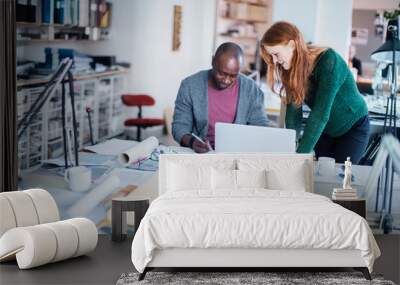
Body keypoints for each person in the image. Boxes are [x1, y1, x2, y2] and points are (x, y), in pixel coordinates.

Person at [260, 21, 370, 164]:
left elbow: (320, 114)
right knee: (316, 177)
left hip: (353, 126)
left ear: (292, 45)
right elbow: (293, 113)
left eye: (276, 54)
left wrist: (298, 157)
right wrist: (291, 145)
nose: (274, 61)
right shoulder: (289, 69)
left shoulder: (329, 61)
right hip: (327, 129)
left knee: (340, 180)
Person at [172, 42, 269, 153]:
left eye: (233, 76)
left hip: (237, 155)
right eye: (222, 73)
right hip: (200, 155)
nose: (226, 80)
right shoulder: (190, 85)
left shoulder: (251, 89)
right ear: (213, 61)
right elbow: (179, 127)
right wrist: (192, 142)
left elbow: (261, 127)